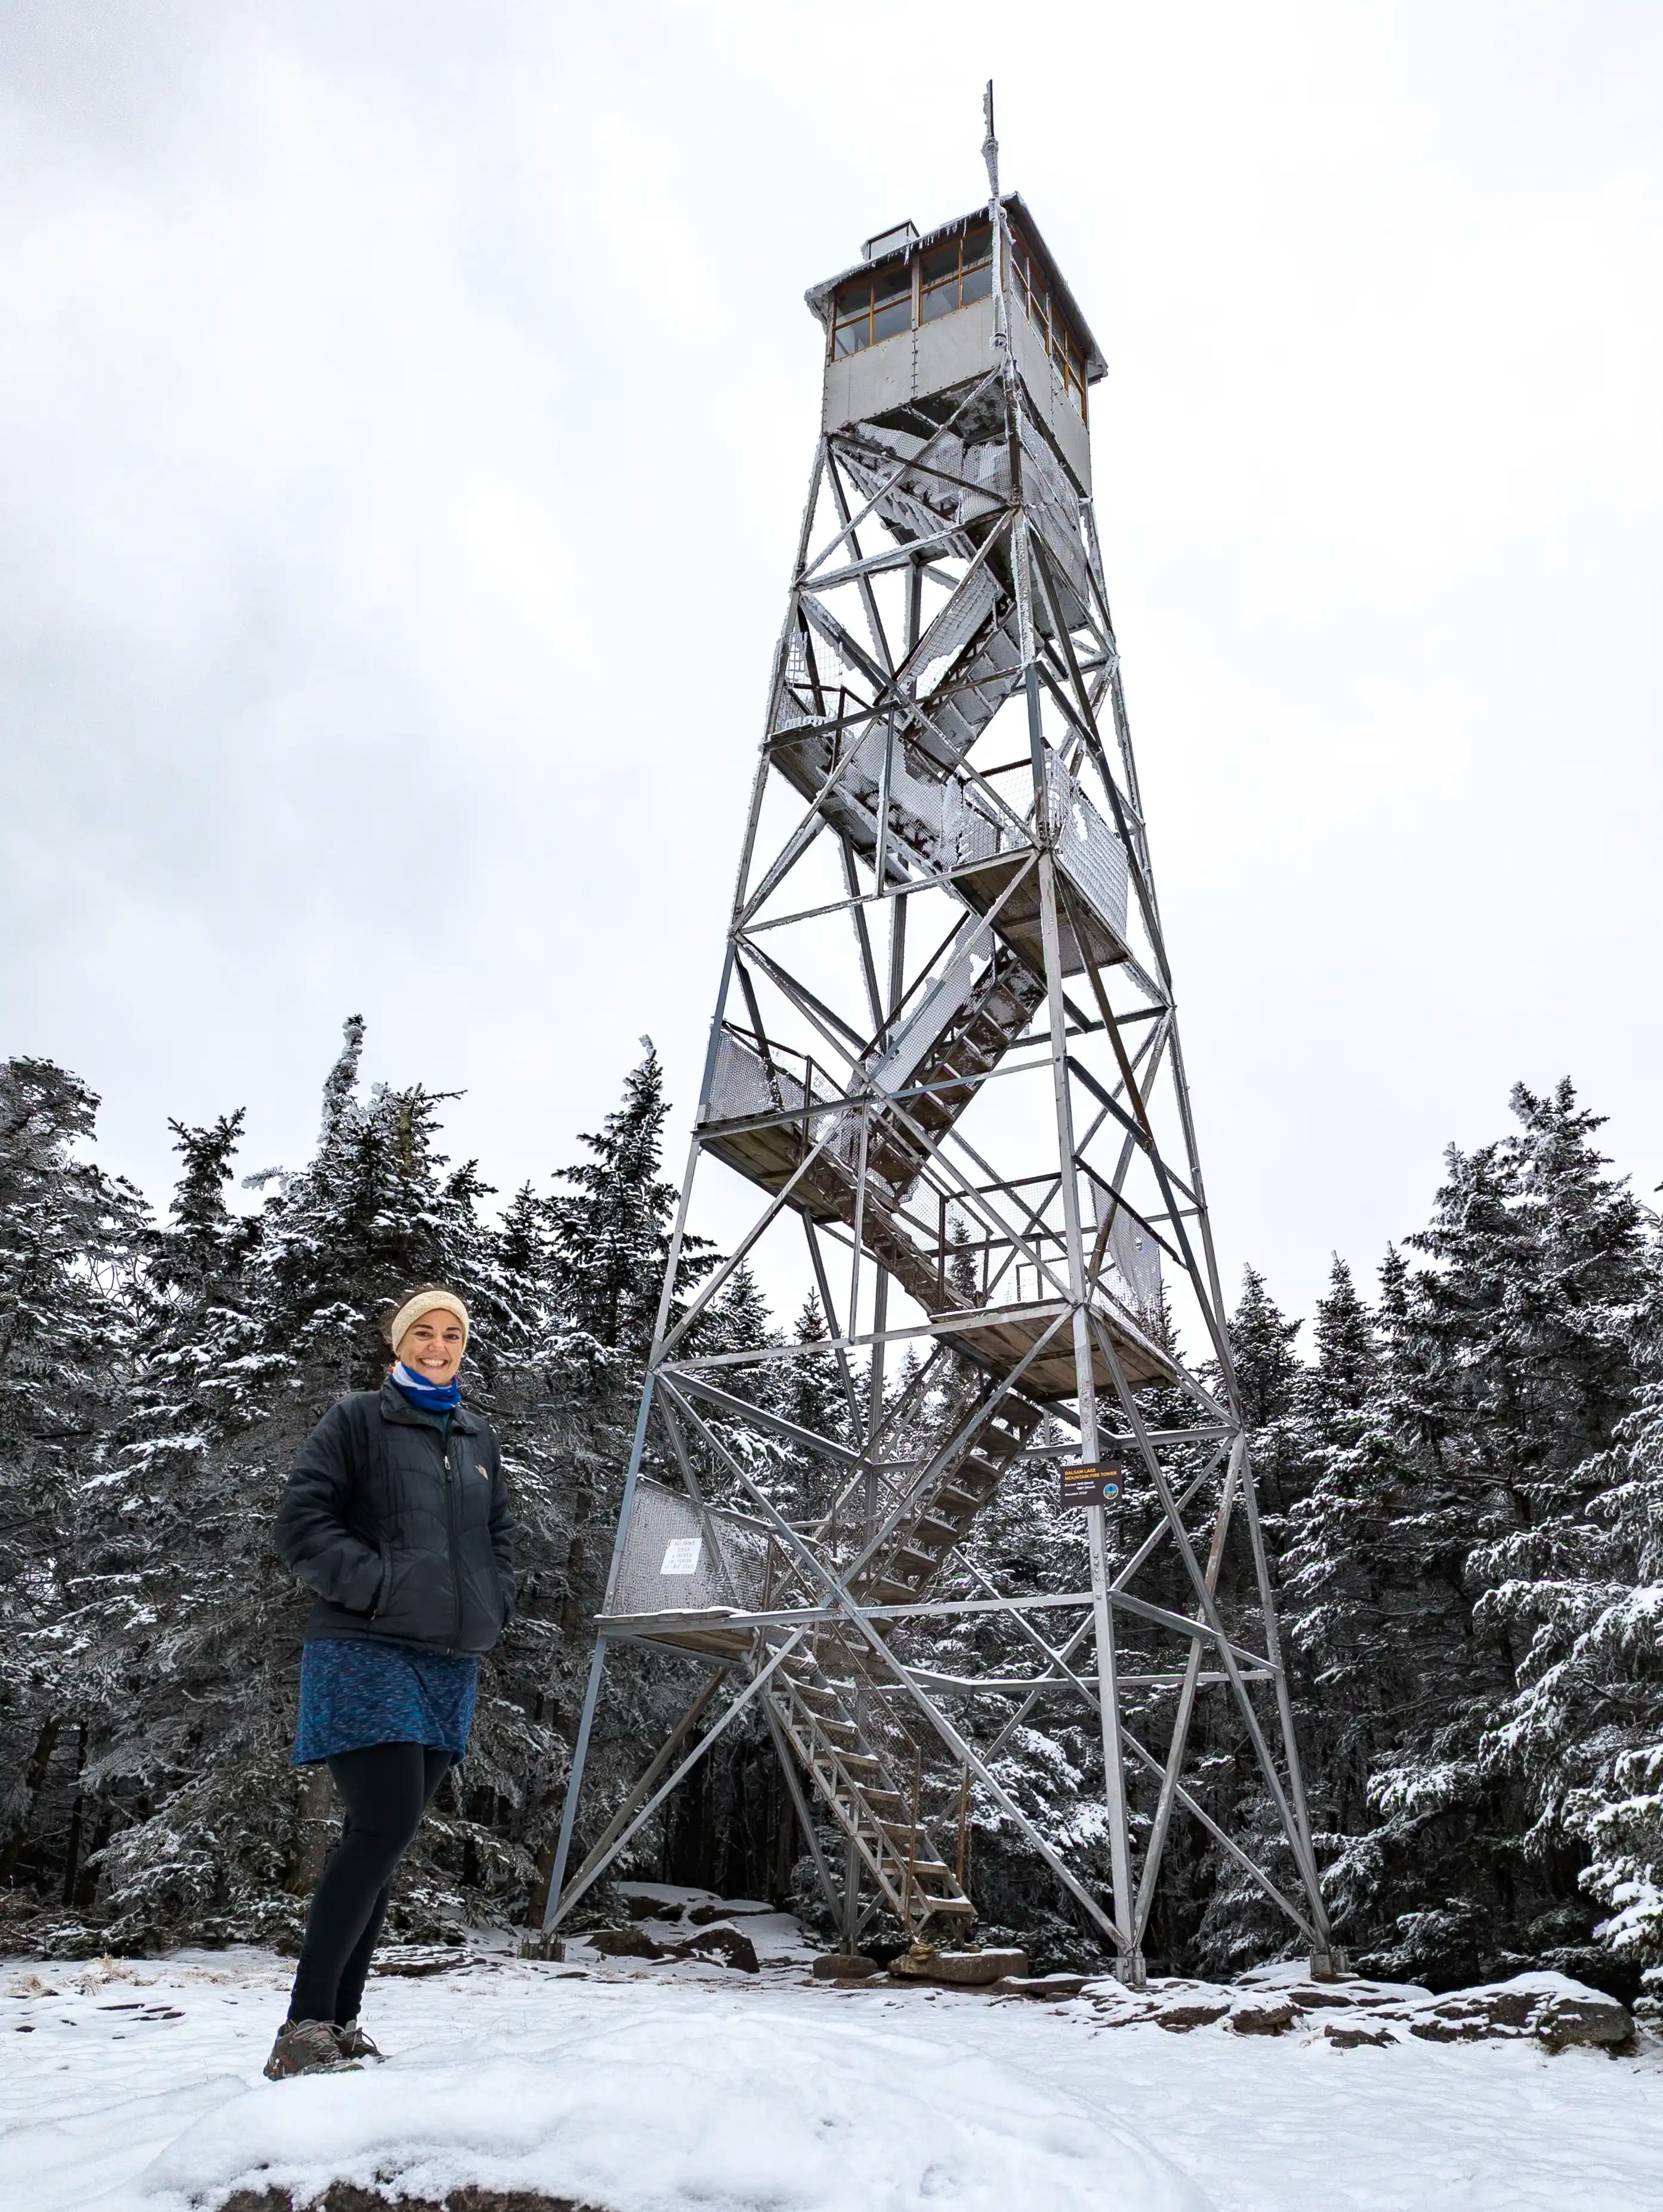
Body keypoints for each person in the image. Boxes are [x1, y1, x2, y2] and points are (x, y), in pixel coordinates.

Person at [263, 1284, 516, 2081]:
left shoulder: (476, 1436)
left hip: (448, 1662)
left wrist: (493, 1604)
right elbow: (300, 1524)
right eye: (423, 1333)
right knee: (381, 1823)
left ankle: (339, 2023)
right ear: (398, 1342)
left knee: (388, 1838)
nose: (438, 1346)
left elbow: (500, 1538)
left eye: (452, 1334)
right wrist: (378, 1585)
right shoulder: (356, 1421)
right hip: (365, 1646)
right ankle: (304, 2024)